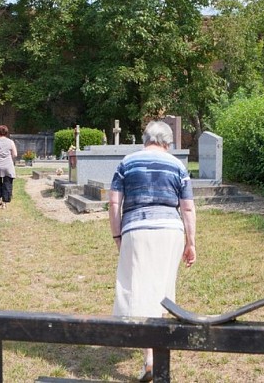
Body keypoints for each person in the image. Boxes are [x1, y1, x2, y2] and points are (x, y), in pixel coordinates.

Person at [109, 121, 197, 382]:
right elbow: (188, 207)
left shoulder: (127, 162)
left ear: (145, 139)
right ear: (168, 143)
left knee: (137, 289)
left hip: (137, 228)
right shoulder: (177, 165)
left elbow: (114, 202)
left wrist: (117, 235)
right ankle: (158, 353)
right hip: (170, 231)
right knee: (162, 290)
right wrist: (190, 241)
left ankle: (149, 356)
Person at [0, 125, 17, 209]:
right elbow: (15, 154)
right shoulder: (11, 142)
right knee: (7, 183)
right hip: (8, 165)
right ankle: (5, 203)